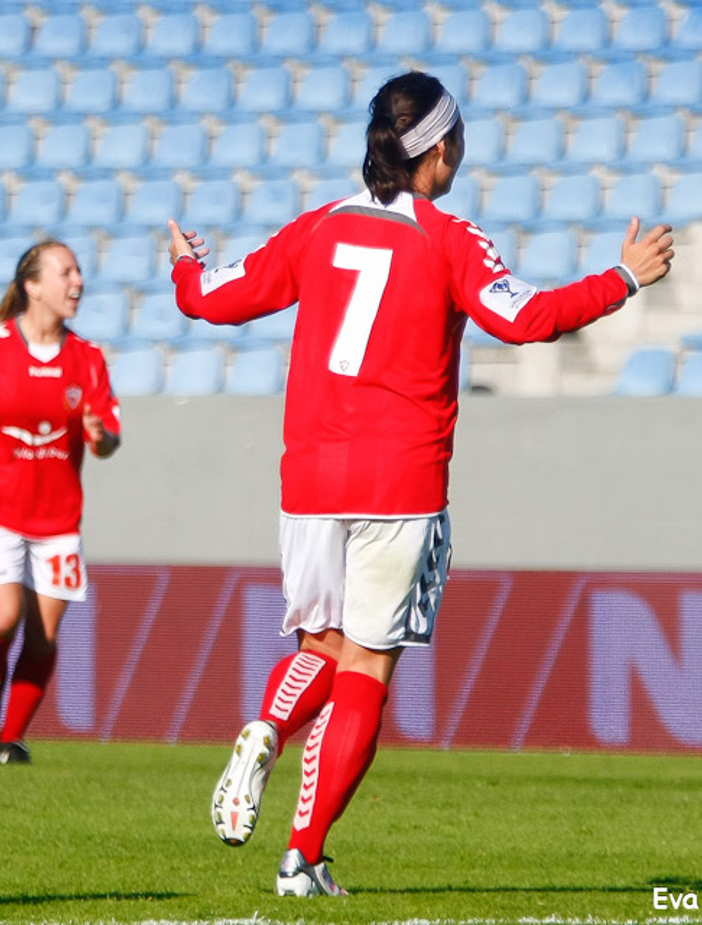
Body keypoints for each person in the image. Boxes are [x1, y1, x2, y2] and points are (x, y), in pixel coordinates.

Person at [167, 71, 674, 896]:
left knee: (318, 647)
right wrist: (622, 278)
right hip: (399, 479)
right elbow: (526, 318)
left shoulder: (318, 227)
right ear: (439, 150)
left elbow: (216, 301)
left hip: (310, 476)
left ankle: (267, 726)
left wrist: (188, 269)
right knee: (366, 667)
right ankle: (302, 856)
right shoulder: (449, 238)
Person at [0, 240, 121, 765]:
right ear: (32, 286)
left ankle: (10, 742)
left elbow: (109, 436)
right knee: (3, 616)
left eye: (79, 271)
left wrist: (101, 438)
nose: (78, 281)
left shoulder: (88, 359)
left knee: (43, 636)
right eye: (66, 272)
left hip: (58, 520)